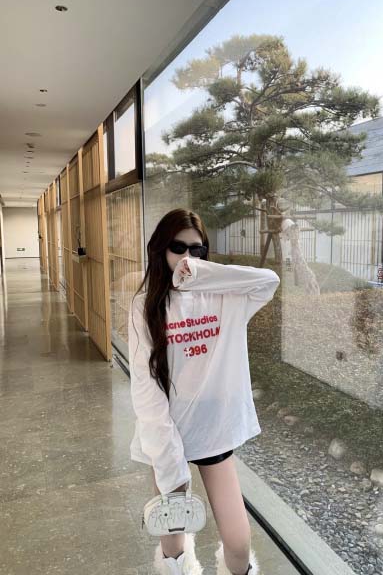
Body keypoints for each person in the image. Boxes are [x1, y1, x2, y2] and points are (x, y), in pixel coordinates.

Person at [128, 208, 280, 575]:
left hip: (214, 429)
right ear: (160, 249)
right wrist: (167, 456)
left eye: (196, 250)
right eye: (178, 248)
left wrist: (201, 274)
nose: (187, 257)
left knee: (239, 543)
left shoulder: (225, 296)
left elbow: (268, 281)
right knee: (173, 544)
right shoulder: (146, 305)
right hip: (169, 431)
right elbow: (145, 385)